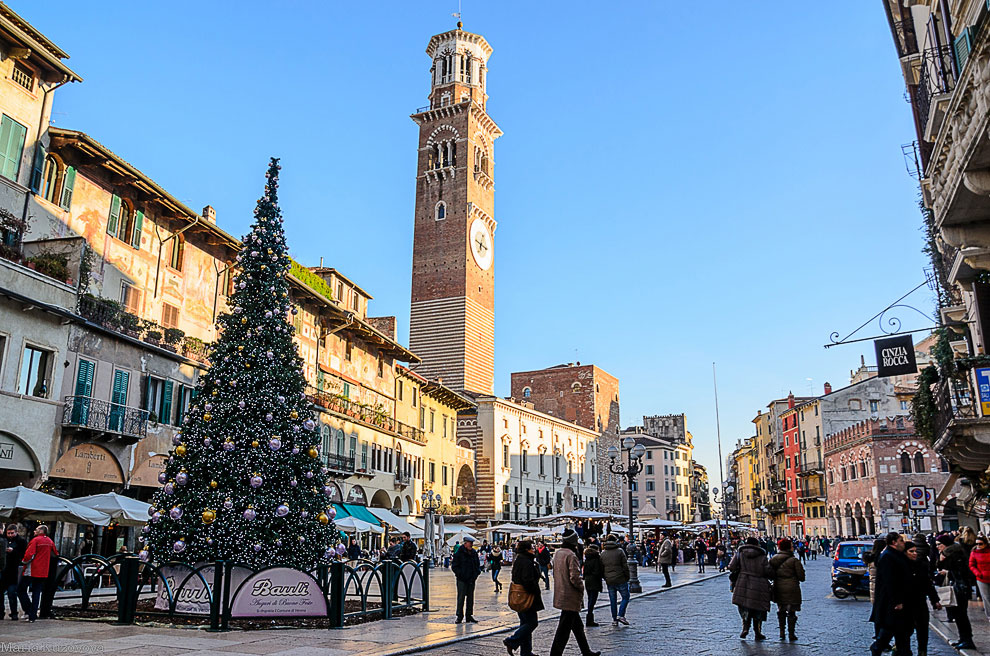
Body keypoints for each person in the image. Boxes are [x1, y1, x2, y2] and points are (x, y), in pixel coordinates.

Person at [549, 529, 600, 656]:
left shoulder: (558, 553)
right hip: (570, 595)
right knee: (564, 629)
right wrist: (581, 587)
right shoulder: (571, 555)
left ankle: (586, 651)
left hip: (561, 592)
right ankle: (555, 653)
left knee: (577, 627)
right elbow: (575, 577)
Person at [870, 532, 911, 656]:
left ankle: (903, 652)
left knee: (901, 631)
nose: (903, 543)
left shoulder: (894, 554)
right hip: (891, 602)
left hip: (897, 600)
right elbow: (890, 581)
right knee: (890, 628)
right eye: (901, 540)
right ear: (894, 542)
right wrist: (897, 601)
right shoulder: (888, 556)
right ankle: (877, 647)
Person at [504, 540, 544, 656]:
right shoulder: (526, 561)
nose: (534, 549)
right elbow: (527, 580)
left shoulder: (520, 559)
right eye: (532, 547)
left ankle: (526, 652)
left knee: (525, 623)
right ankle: (512, 641)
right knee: (532, 623)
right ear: (527, 549)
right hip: (526, 596)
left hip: (519, 595)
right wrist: (535, 590)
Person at [937, 533, 976, 650]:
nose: (937, 547)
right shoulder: (950, 553)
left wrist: (945, 567)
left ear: (945, 545)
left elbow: (959, 570)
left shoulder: (955, 554)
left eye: (939, 544)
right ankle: (963, 638)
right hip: (957, 586)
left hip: (960, 587)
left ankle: (967, 639)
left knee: (961, 615)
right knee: (958, 615)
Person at [728, 536, 772, 640]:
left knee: (745, 606)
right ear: (757, 544)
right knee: (758, 608)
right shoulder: (762, 555)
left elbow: (731, 566)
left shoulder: (740, 553)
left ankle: (745, 628)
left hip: (743, 581)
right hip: (759, 583)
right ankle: (758, 632)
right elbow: (767, 570)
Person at [906, 538, 941, 656]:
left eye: (915, 551)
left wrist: (935, 600)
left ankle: (922, 651)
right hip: (906, 602)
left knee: (922, 629)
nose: (915, 553)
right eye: (911, 551)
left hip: (920, 601)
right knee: (906, 630)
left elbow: (927, 584)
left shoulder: (921, 565)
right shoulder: (901, 565)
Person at [18, 525, 56, 623]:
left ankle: (28, 609)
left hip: (32, 569)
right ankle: (33, 614)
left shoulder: (35, 540)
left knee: (21, 589)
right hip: (43, 570)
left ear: (40, 531)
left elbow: (29, 555)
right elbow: (55, 554)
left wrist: (23, 561)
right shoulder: (50, 541)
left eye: (36, 530)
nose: (34, 531)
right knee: (36, 592)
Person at [769, 538, 805, 641]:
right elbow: (801, 577)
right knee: (792, 611)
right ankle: (791, 634)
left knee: (781, 609)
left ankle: (782, 632)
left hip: (778, 587)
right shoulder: (794, 560)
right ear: (789, 547)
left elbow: (769, 574)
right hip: (792, 588)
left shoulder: (773, 559)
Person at [600, 534, 630, 626]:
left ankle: (614, 619)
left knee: (613, 600)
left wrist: (605, 577)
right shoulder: (620, 551)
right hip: (620, 578)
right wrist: (627, 576)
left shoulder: (603, 553)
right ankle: (620, 615)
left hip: (609, 580)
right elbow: (625, 566)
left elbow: (601, 568)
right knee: (625, 597)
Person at [451, 535, 481, 623]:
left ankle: (469, 615)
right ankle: (459, 616)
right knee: (461, 598)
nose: (471, 545)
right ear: (465, 543)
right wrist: (460, 574)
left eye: (472, 543)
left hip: (471, 579)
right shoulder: (459, 553)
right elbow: (454, 566)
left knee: (470, 598)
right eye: (470, 543)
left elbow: (477, 565)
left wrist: (476, 574)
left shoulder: (474, 553)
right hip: (462, 579)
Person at [1, 525, 25, 620]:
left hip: (14, 571)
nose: (10, 535)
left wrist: (14, 551)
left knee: (12, 593)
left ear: (16, 532)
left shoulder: (21, 541)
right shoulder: (4, 540)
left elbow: (23, 554)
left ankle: (14, 613)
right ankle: (1, 612)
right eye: (9, 533)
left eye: (12, 533)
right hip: (4, 570)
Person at [582, 542, 604, 628]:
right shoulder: (596, 559)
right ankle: (589, 618)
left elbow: (584, 571)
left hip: (588, 580)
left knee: (590, 598)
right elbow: (598, 571)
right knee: (592, 600)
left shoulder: (587, 558)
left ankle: (589, 617)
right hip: (594, 581)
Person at [969, 534, 990, 620]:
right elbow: (971, 565)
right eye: (976, 544)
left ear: (985, 544)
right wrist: (977, 573)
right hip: (981, 578)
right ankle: (989, 615)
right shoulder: (974, 553)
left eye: (980, 544)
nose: (978, 545)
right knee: (986, 597)